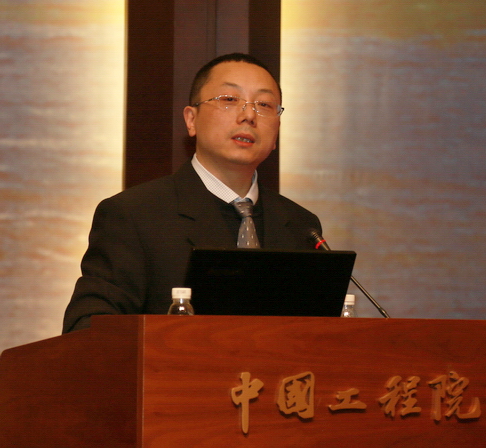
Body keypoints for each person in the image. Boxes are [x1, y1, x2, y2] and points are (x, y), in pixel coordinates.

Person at [62, 53, 322, 333]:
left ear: (277, 131)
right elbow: (89, 327)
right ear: (191, 120)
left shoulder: (302, 227)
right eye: (229, 99)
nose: (248, 115)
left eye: (264, 105)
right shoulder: (134, 215)